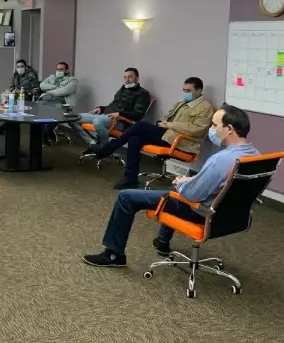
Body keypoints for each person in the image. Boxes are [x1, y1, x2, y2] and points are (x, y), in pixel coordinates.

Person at [82, 104, 259, 267]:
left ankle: (114, 255)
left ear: (229, 129)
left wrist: (181, 183)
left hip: (200, 211)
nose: (210, 130)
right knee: (182, 185)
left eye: (214, 125)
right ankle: (162, 241)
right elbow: (224, 184)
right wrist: (191, 181)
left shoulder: (220, 159)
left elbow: (192, 195)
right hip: (229, 215)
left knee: (126, 197)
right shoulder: (255, 155)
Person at [85, 77, 214, 189]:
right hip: (167, 134)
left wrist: (170, 125)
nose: (185, 93)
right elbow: (167, 117)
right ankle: (130, 179)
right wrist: (162, 122)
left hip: (181, 141)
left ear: (198, 91)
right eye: (184, 90)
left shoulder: (206, 108)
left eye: (188, 91)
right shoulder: (181, 103)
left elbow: (198, 129)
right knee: (135, 139)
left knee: (140, 125)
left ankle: (107, 148)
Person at [70, 67, 150, 148]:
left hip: (121, 121)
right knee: (72, 118)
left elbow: (138, 115)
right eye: (125, 77)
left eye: (130, 77)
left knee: (98, 121)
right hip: (105, 115)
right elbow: (113, 106)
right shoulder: (123, 89)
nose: (127, 80)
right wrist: (101, 108)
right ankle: (92, 142)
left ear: (137, 78)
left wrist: (120, 113)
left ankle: (104, 147)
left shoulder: (143, 94)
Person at [38, 61, 78, 144]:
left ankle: (45, 139)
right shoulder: (52, 77)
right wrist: (55, 87)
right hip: (48, 102)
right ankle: (45, 138)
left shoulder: (73, 80)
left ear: (67, 70)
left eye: (61, 69)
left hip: (63, 105)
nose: (58, 71)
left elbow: (64, 91)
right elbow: (42, 85)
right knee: (38, 110)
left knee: (49, 119)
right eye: (57, 69)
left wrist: (50, 91)